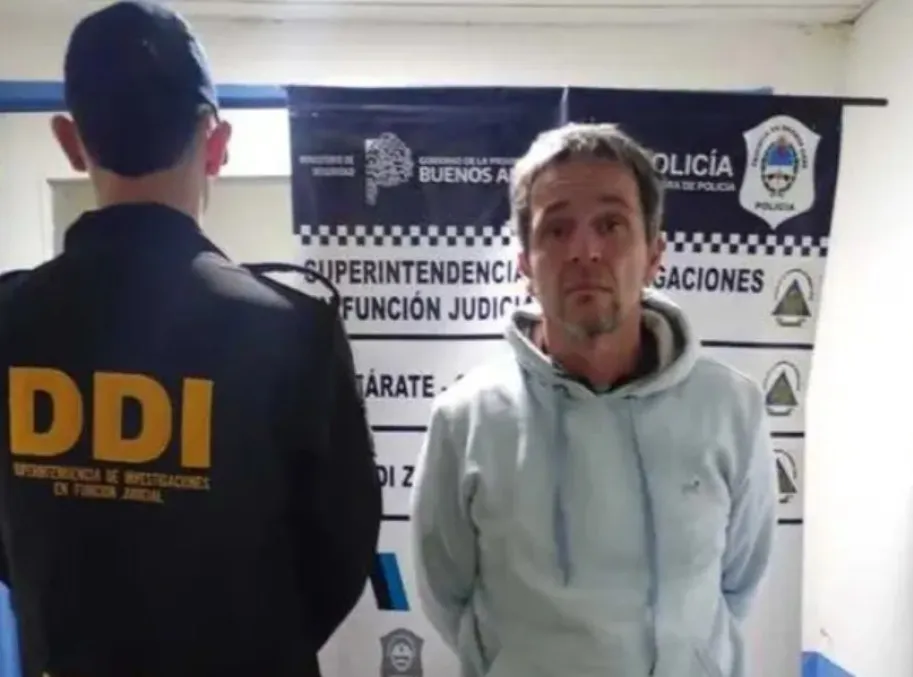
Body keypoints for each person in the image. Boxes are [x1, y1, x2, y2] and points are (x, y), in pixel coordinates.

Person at [0, 2, 381, 676]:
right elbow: (341, 553)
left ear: (71, 141)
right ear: (216, 143)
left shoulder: (9, 321)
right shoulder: (292, 330)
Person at [410, 122, 776, 677]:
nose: (585, 251)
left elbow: (740, 580)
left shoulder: (731, 409)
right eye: (557, 229)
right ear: (525, 264)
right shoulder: (467, 419)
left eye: (611, 224)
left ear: (654, 254)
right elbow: (446, 592)